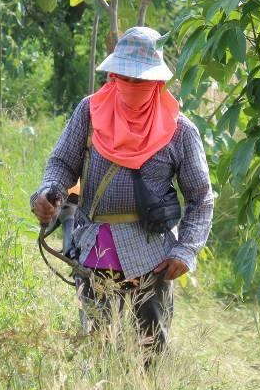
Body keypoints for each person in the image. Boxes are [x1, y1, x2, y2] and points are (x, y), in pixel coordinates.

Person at [31, 26, 213, 358]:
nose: (130, 86)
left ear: (157, 81)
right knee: (98, 352)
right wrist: (49, 192)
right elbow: (61, 162)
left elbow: (201, 197)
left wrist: (186, 250)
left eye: (139, 80)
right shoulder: (89, 113)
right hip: (93, 251)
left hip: (152, 259)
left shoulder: (179, 130)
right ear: (113, 74)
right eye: (124, 77)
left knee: (150, 354)